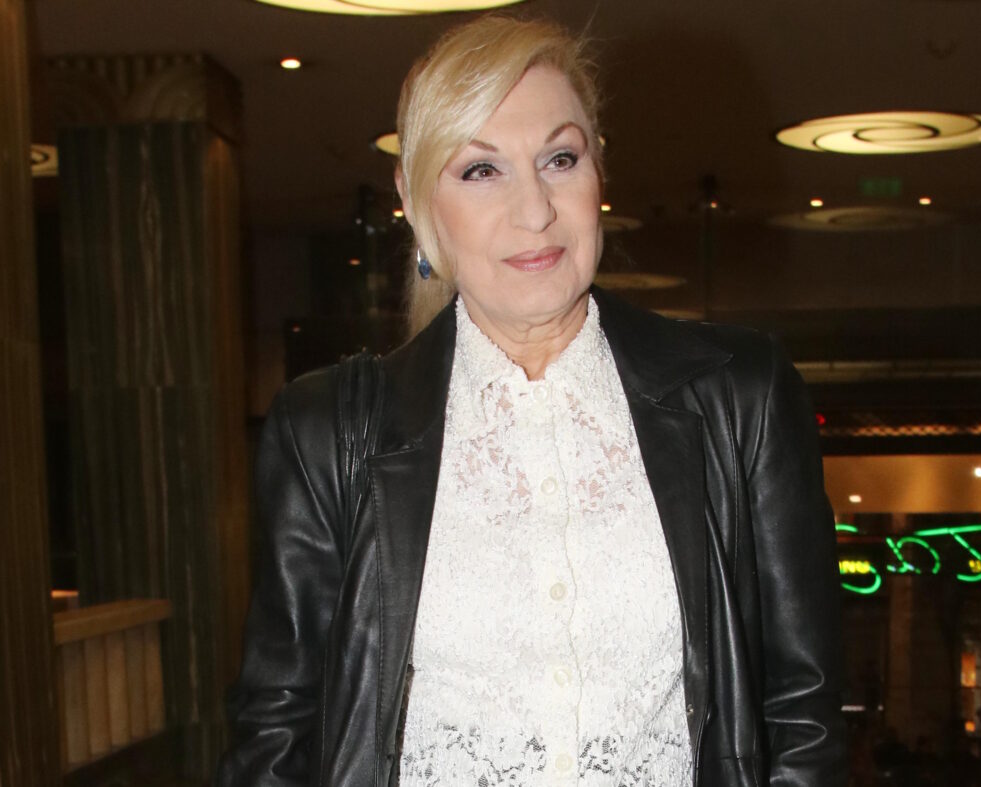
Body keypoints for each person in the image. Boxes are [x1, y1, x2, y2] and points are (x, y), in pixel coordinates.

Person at [218, 15, 845, 787]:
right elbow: (275, 732)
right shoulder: (328, 432)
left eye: (560, 158)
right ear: (417, 203)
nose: (536, 209)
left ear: (599, 172)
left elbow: (804, 715)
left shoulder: (741, 396)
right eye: (481, 170)